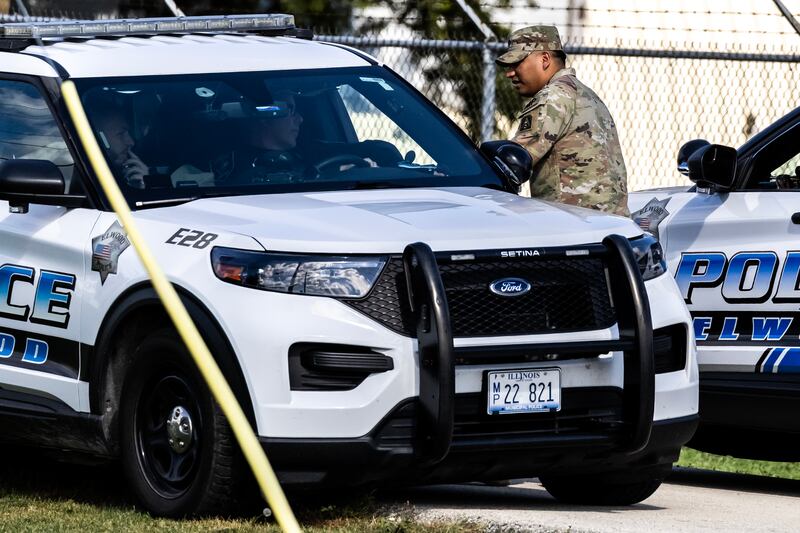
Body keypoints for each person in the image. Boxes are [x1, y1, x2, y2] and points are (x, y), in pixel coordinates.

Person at [496, 25, 629, 216]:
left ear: (544, 60)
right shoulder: (585, 95)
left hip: (573, 225)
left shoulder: (552, 98)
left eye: (516, 63)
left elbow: (511, 163)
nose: (509, 73)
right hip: (610, 225)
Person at [88, 101, 150, 189]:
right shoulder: (87, 180)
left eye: (128, 133)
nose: (131, 142)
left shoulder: (126, 175)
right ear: (100, 138)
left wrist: (142, 185)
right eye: (121, 133)